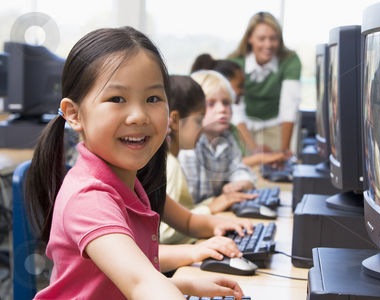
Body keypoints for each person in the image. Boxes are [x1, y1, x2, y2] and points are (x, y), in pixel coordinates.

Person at [25, 27, 246, 300]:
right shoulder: (89, 199)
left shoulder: (133, 181)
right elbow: (140, 283)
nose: (139, 116)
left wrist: (185, 286)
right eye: (117, 99)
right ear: (74, 114)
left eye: (153, 98)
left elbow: (119, 285)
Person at [160, 75, 258, 246]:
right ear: (174, 121)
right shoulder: (173, 163)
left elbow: (183, 216)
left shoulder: (226, 138)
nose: (201, 128)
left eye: (226, 102)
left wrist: (220, 209)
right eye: (199, 120)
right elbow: (164, 233)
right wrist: (212, 208)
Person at [191, 53, 286, 167]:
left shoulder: (226, 131)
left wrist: (257, 152)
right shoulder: (195, 141)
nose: (243, 91)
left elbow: (232, 161)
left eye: (225, 102)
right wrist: (257, 158)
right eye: (240, 86)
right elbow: (223, 166)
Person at [178, 70, 258, 205]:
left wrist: (240, 184)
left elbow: (239, 169)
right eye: (211, 104)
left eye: (226, 102)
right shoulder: (189, 147)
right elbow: (192, 201)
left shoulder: (227, 138)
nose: (222, 109)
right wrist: (221, 199)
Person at [228, 11, 302, 156]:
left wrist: (284, 151)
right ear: (249, 38)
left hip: (275, 123)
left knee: (276, 166)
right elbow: (236, 110)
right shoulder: (235, 63)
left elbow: (289, 107)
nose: (268, 44)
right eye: (261, 38)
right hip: (243, 124)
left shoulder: (290, 60)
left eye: (273, 38)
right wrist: (254, 148)